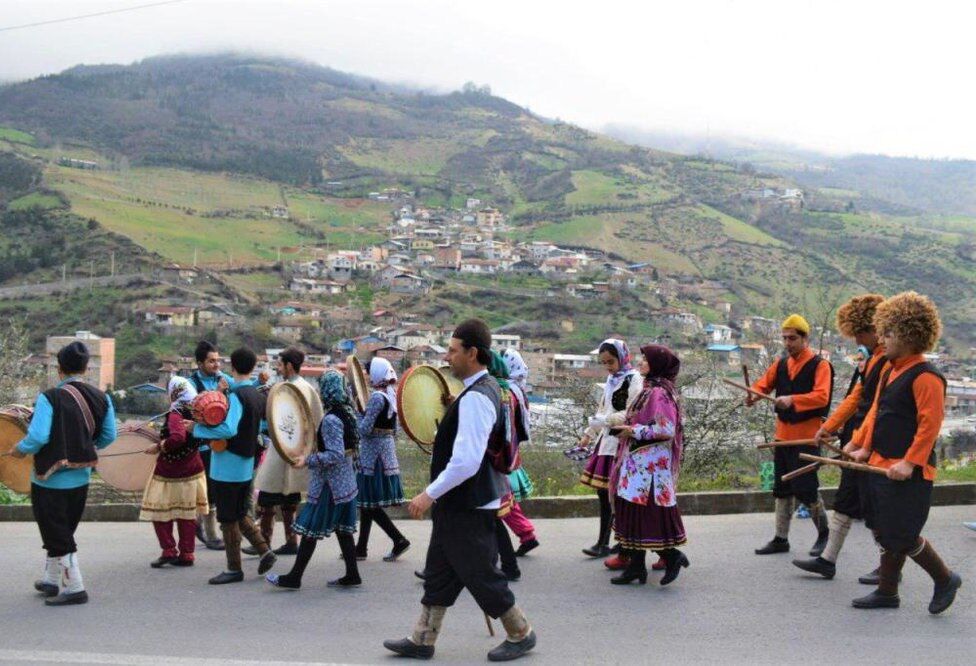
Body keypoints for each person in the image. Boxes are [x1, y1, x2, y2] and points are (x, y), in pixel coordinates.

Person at [383, 319, 536, 662]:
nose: (448, 356)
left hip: (469, 502)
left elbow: (466, 461)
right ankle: (422, 639)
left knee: (481, 574)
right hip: (464, 502)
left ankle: (521, 632)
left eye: (453, 350)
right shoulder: (484, 390)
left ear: (473, 353)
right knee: (439, 571)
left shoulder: (477, 398)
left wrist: (428, 494)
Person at [846, 292, 962, 614]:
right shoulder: (889, 370)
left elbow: (930, 425)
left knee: (902, 533)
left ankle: (945, 577)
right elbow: (875, 414)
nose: (882, 338)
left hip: (911, 472)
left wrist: (910, 462)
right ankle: (887, 591)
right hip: (882, 464)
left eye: (889, 333)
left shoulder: (926, 377)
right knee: (884, 529)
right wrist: (861, 446)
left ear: (910, 335)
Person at [12, 341, 117, 605]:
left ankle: (75, 587)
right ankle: (51, 578)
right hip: (81, 480)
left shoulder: (50, 397)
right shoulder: (102, 397)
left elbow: (37, 436)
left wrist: (20, 449)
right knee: (62, 531)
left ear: (60, 369)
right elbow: (109, 436)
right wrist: (85, 446)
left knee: (56, 533)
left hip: (49, 480)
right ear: (85, 368)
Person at [792, 295, 887, 582]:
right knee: (846, 499)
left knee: (875, 507)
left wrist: (858, 441)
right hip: (855, 439)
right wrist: (829, 426)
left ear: (874, 329)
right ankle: (827, 560)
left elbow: (875, 409)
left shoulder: (886, 361)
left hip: (872, 442)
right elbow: (856, 397)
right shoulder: (871, 361)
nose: (856, 338)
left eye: (859, 332)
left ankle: (890, 567)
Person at [188, 347, 277, 584]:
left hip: (227, 465)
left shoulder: (237, 396)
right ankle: (264, 550)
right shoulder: (257, 395)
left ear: (233, 367)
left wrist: (196, 428)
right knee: (238, 512)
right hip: (247, 463)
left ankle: (233, 568)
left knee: (228, 518)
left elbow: (228, 429)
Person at [748, 314, 834, 557]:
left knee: (806, 488)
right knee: (782, 488)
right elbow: (763, 385)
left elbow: (822, 396)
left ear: (805, 338)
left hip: (807, 437)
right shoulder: (781, 364)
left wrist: (793, 399)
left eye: (793, 338)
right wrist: (752, 394)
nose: (788, 343)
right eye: (785, 338)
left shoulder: (821, 365)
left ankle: (824, 534)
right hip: (782, 436)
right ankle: (780, 538)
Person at [267, 371, 362, 589]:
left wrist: (307, 460)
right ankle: (352, 574)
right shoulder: (348, 413)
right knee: (343, 531)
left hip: (330, 486)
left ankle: (294, 577)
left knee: (310, 531)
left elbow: (336, 454)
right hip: (346, 483)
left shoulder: (331, 420)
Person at [607, 344, 688, 586]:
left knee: (647, 516)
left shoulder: (659, 394)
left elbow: (666, 429)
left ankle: (672, 556)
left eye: (646, 359)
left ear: (657, 365)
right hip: (639, 464)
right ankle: (636, 567)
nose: (641, 362)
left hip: (649, 468)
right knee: (634, 513)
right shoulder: (650, 389)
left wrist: (633, 430)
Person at [252, 347, 320, 556]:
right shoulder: (304, 388)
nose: (278, 368)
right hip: (291, 449)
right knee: (287, 497)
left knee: (269, 497)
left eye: (280, 364)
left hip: (288, 450)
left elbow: (313, 421)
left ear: (289, 366)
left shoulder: (296, 389)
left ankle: (264, 544)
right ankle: (288, 541)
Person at [578, 339, 643, 559]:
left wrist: (606, 421)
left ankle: (609, 542)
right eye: (604, 363)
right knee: (605, 493)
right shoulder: (611, 379)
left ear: (622, 357)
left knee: (613, 495)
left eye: (611, 361)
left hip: (620, 444)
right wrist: (589, 433)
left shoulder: (634, 379)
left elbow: (632, 412)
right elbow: (603, 407)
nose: (608, 366)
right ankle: (609, 542)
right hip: (605, 443)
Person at [139, 376, 209, 568]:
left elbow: (177, 438)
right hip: (192, 467)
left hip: (170, 470)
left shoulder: (176, 412)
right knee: (187, 514)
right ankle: (187, 554)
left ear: (174, 392)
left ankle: (169, 550)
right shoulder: (198, 410)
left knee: (159, 511)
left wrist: (159, 446)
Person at [354, 357, 410, 562]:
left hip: (372, 456)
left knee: (369, 503)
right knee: (368, 503)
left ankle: (398, 539)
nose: (367, 377)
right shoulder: (390, 395)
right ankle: (361, 547)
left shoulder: (377, 397)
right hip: (384, 453)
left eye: (369, 373)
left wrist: (357, 413)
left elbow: (364, 429)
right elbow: (393, 429)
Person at [189, 340, 232, 551]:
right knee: (208, 491)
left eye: (218, 360)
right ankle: (211, 534)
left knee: (214, 488)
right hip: (201, 445)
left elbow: (242, 386)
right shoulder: (190, 384)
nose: (216, 365)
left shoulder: (224, 379)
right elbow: (196, 410)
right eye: (211, 361)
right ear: (199, 363)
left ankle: (200, 526)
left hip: (220, 443)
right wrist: (217, 392)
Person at [501, 349, 540, 557]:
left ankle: (523, 538)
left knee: (500, 500)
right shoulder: (518, 389)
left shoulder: (508, 391)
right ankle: (527, 535)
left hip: (503, 454)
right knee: (505, 500)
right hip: (511, 452)